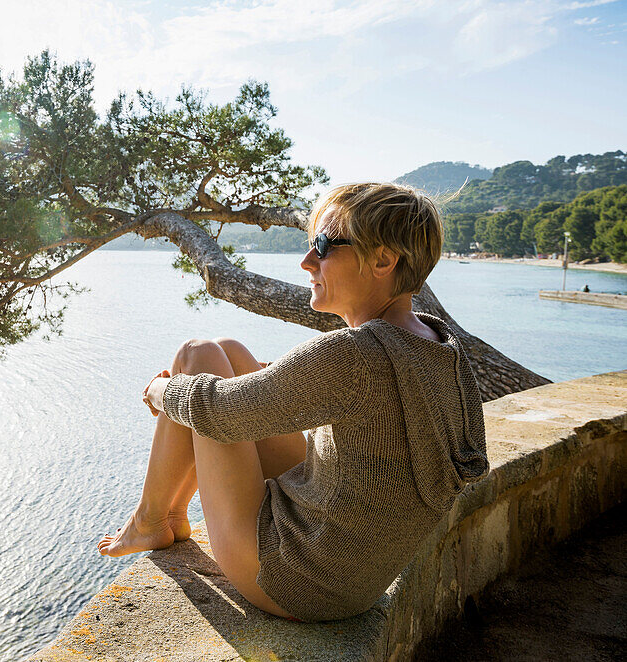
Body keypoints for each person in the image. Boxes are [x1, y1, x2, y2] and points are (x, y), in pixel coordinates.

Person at [97, 182, 489, 622]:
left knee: (197, 356)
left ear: (382, 260)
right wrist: (279, 385)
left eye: (323, 246)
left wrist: (159, 392)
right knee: (230, 351)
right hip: (353, 579)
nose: (306, 262)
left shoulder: (354, 355)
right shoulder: (443, 348)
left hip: (295, 581)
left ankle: (151, 521)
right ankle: (168, 516)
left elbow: (219, 412)